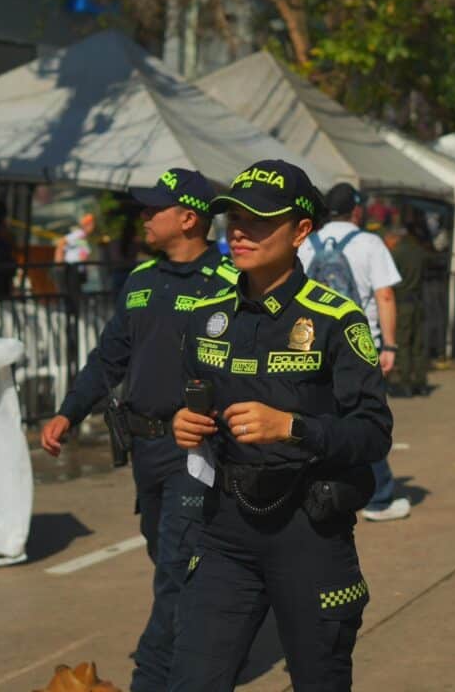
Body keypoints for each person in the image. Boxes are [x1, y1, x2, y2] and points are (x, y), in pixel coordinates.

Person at [169, 159, 392, 690]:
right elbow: (192, 400)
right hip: (225, 528)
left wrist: (292, 427)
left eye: (261, 220)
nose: (242, 231)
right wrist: (183, 422)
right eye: (234, 219)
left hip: (309, 529)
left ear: (301, 231)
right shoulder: (207, 314)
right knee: (193, 679)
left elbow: (372, 432)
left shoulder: (336, 318)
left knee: (320, 678)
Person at [40, 168, 237, 692]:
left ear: (189, 218)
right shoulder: (141, 279)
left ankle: (152, 680)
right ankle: (206, 639)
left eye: (155, 209)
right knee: (169, 559)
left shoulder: (231, 283)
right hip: (144, 448)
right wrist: (69, 411)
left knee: (176, 566)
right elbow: (110, 358)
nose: (143, 217)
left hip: (198, 451)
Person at [299, 182, 410, 522]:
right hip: (360, 344)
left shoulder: (305, 243)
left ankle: (316, 490)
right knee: (365, 419)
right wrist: (388, 344)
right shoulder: (369, 243)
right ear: (357, 210)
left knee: (318, 417)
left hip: (310, 344)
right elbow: (385, 296)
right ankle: (379, 498)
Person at [384, 214, 430, 397]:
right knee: (418, 343)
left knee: (403, 343)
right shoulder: (419, 251)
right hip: (418, 301)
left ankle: (404, 382)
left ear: (394, 238)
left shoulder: (396, 254)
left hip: (401, 303)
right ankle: (420, 381)